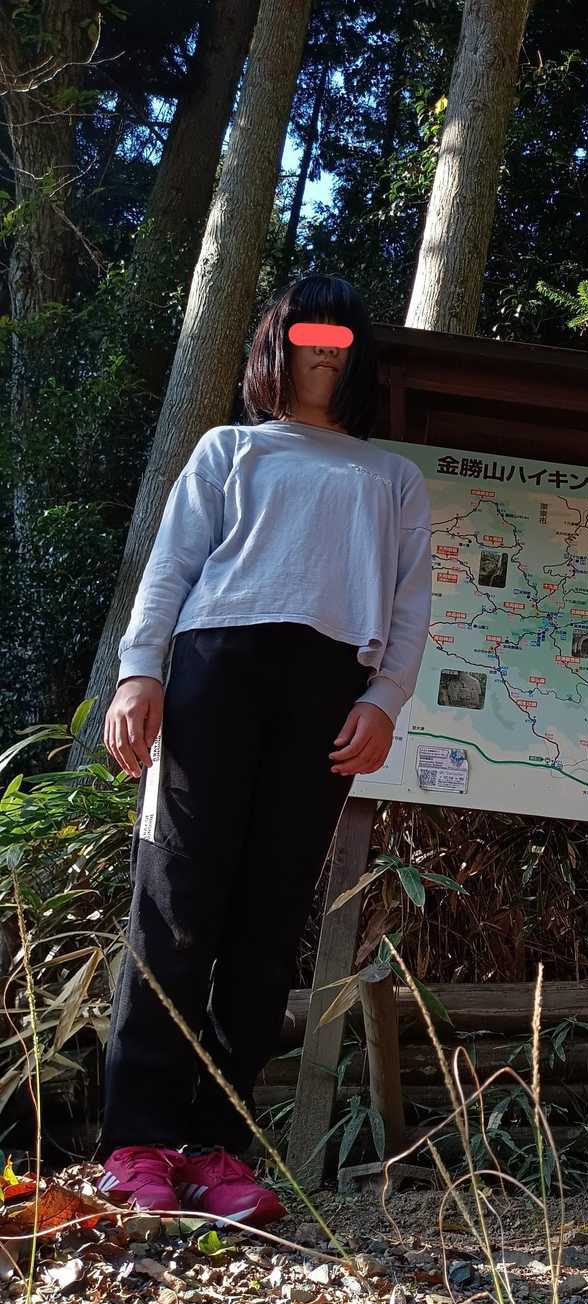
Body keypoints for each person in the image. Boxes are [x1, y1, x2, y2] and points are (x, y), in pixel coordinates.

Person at [96, 275, 432, 1222]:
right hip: (213, 671)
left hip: (328, 693)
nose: (323, 350)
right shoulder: (228, 448)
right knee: (177, 901)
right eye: (306, 332)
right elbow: (171, 566)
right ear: (274, 345)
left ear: (359, 354)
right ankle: (137, 1143)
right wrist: (139, 673)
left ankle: (217, 1147)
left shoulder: (392, 477)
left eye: (340, 335)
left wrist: (385, 701)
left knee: (269, 915)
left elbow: (410, 603)